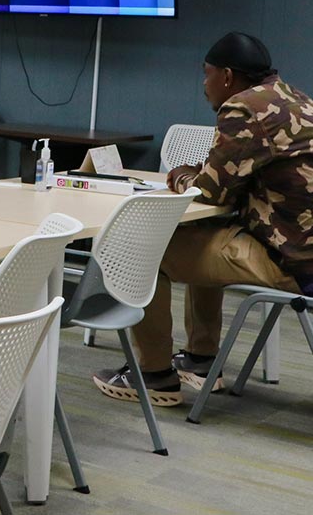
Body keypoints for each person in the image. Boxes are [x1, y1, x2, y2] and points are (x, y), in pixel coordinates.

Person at [93, 32, 313, 407]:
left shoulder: (243, 107)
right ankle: (199, 359)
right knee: (202, 229)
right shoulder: (296, 99)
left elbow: (210, 192)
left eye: (206, 74)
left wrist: (179, 175)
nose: (204, 84)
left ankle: (154, 375)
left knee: (142, 249)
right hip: (301, 248)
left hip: (289, 258)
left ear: (227, 76)